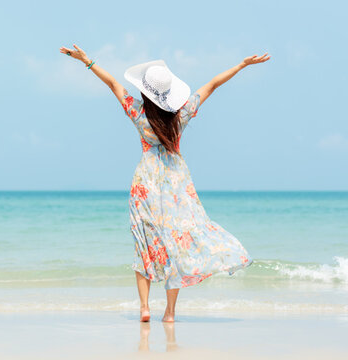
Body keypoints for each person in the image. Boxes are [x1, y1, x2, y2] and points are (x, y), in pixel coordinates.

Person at [59, 44, 269, 322]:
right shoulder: (180, 116)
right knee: (176, 242)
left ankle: (145, 308)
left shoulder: (137, 113)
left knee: (143, 244)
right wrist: (241, 66)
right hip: (175, 182)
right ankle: (169, 313)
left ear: (145, 92)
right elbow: (213, 85)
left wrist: (86, 61)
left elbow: (112, 83)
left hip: (145, 182)